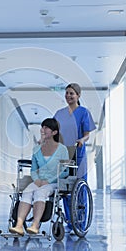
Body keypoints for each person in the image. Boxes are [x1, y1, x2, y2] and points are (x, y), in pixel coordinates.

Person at [9, 118, 69, 236]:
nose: (43, 129)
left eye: (46, 127)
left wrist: (48, 181)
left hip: (53, 182)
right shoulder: (37, 149)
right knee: (27, 191)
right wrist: (37, 180)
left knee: (40, 193)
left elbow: (65, 170)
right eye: (42, 127)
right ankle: (19, 225)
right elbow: (33, 170)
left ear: (54, 132)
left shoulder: (62, 149)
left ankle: (35, 225)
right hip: (38, 181)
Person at [53, 83, 96, 231]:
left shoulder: (84, 112)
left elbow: (87, 134)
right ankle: (70, 222)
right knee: (65, 189)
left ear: (78, 96)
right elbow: (53, 132)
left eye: (72, 93)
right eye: (66, 93)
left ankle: (80, 222)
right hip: (63, 154)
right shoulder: (59, 113)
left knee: (79, 188)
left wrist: (81, 141)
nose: (68, 96)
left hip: (78, 154)